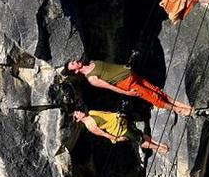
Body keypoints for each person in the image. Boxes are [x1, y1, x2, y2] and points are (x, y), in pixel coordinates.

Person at [65, 59, 193, 116]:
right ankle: (179, 110)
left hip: (131, 74)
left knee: (156, 90)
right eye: (73, 64)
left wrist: (124, 67)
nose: (75, 61)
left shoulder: (93, 62)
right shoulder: (91, 79)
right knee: (154, 98)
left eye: (73, 61)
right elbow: (110, 87)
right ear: (75, 71)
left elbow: (111, 67)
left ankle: (182, 105)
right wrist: (127, 94)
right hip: (127, 84)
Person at [71, 110, 169, 155]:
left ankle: (159, 144)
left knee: (140, 134)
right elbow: (103, 133)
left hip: (121, 121)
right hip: (119, 130)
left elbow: (106, 113)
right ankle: (159, 148)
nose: (79, 112)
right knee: (140, 140)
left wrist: (117, 114)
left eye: (77, 111)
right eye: (77, 114)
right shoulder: (90, 125)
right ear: (78, 120)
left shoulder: (91, 112)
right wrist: (116, 138)